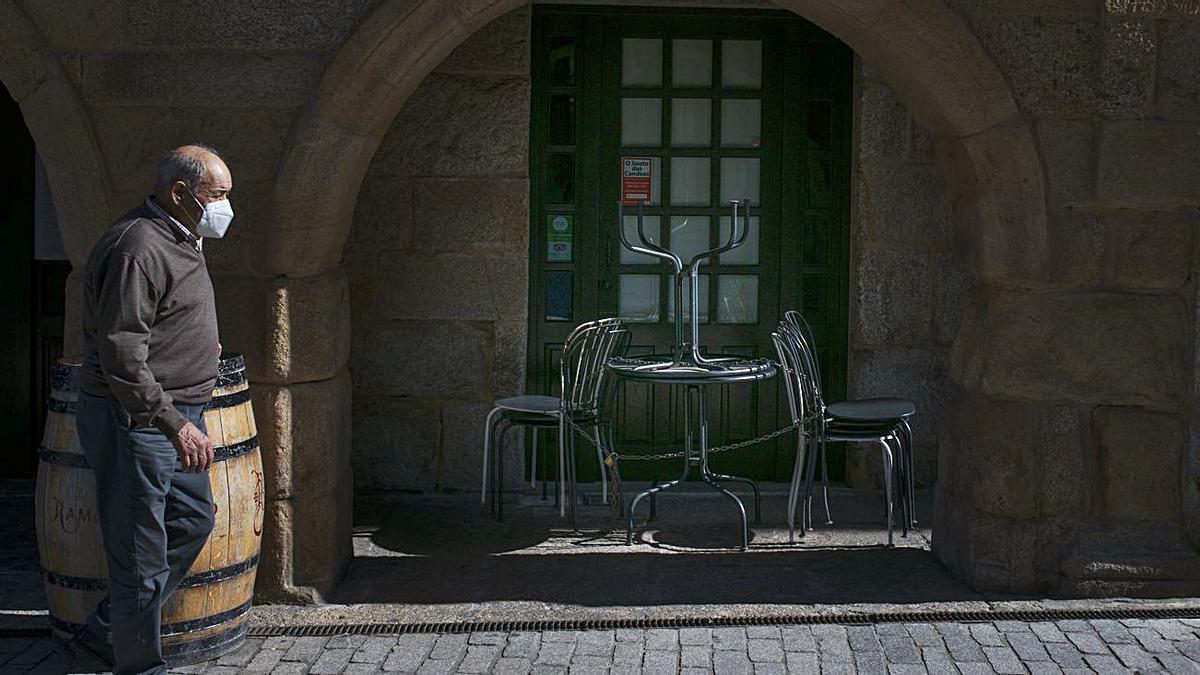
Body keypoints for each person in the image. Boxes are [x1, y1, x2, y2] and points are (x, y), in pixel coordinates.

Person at [71, 144, 234, 674]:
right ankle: (139, 665)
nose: (225, 207)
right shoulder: (138, 246)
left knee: (193, 520)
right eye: (218, 195)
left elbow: (161, 317)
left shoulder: (181, 235)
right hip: (139, 420)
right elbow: (121, 352)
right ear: (180, 192)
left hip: (180, 412)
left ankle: (105, 632)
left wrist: (195, 342)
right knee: (139, 553)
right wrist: (172, 425)